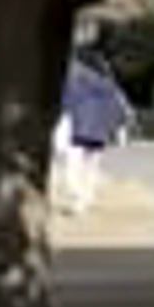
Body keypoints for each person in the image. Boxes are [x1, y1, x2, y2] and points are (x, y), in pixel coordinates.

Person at [55, 30, 134, 212]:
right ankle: (86, 197)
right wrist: (119, 125)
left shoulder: (73, 75)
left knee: (72, 161)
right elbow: (118, 102)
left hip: (77, 123)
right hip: (97, 126)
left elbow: (65, 100)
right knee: (91, 163)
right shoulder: (107, 81)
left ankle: (78, 198)